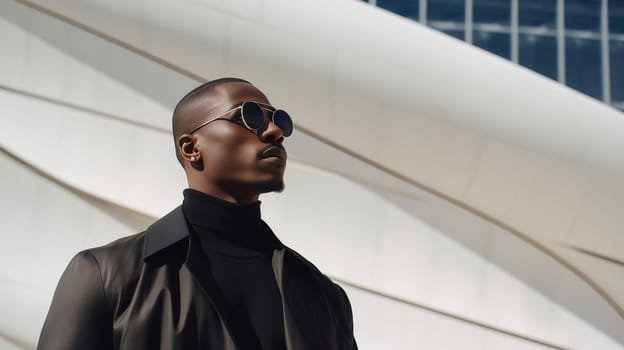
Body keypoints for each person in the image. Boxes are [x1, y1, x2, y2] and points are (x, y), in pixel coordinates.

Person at [37, 78, 357, 350]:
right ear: (191, 148)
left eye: (281, 121)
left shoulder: (325, 298)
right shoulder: (106, 276)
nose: (275, 131)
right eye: (250, 116)